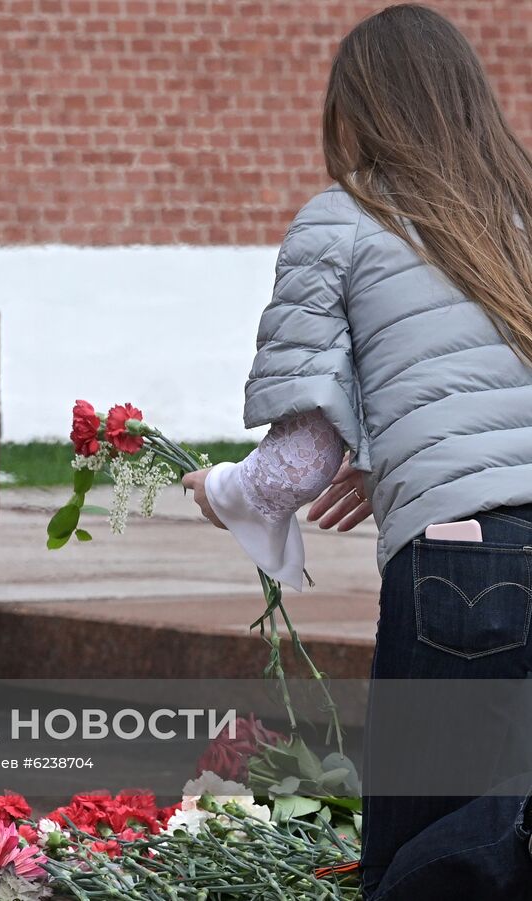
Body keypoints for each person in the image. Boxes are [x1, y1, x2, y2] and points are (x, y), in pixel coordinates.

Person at [179, 5, 532, 898]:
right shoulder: (520, 205)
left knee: (419, 859)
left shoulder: (342, 220)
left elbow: (296, 462)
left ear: (358, 108)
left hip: (464, 575)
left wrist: (222, 488)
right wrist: (395, 459)